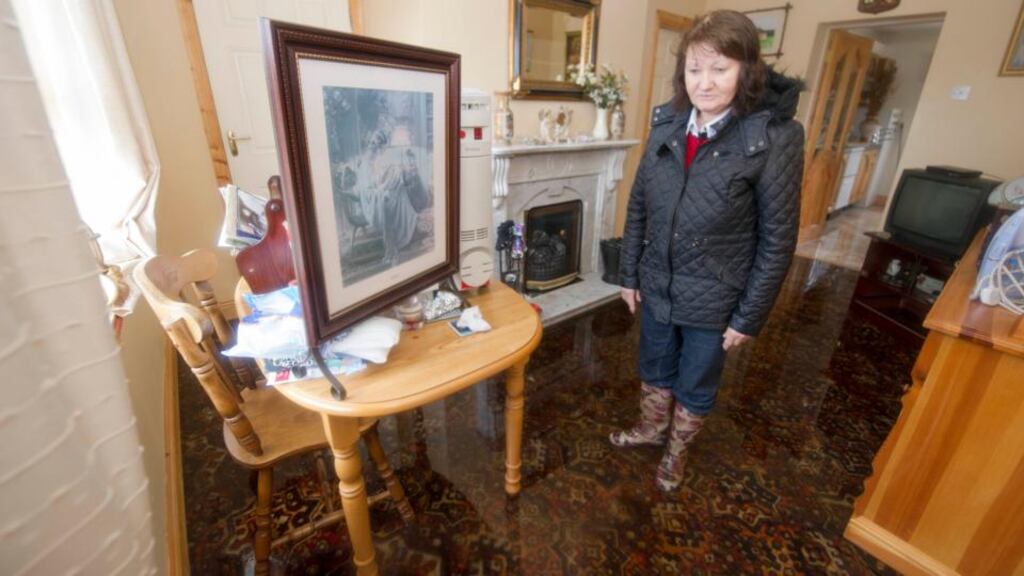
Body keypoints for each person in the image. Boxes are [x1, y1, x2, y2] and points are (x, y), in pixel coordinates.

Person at [610, 10, 804, 492]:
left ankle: (675, 455)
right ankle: (653, 429)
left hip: (717, 294)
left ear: (747, 71)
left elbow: (778, 238)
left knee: (696, 381)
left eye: (720, 68)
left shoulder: (773, 138)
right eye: (695, 69)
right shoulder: (667, 124)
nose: (705, 82)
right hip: (659, 282)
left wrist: (747, 317)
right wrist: (629, 275)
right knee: (654, 366)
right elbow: (638, 208)